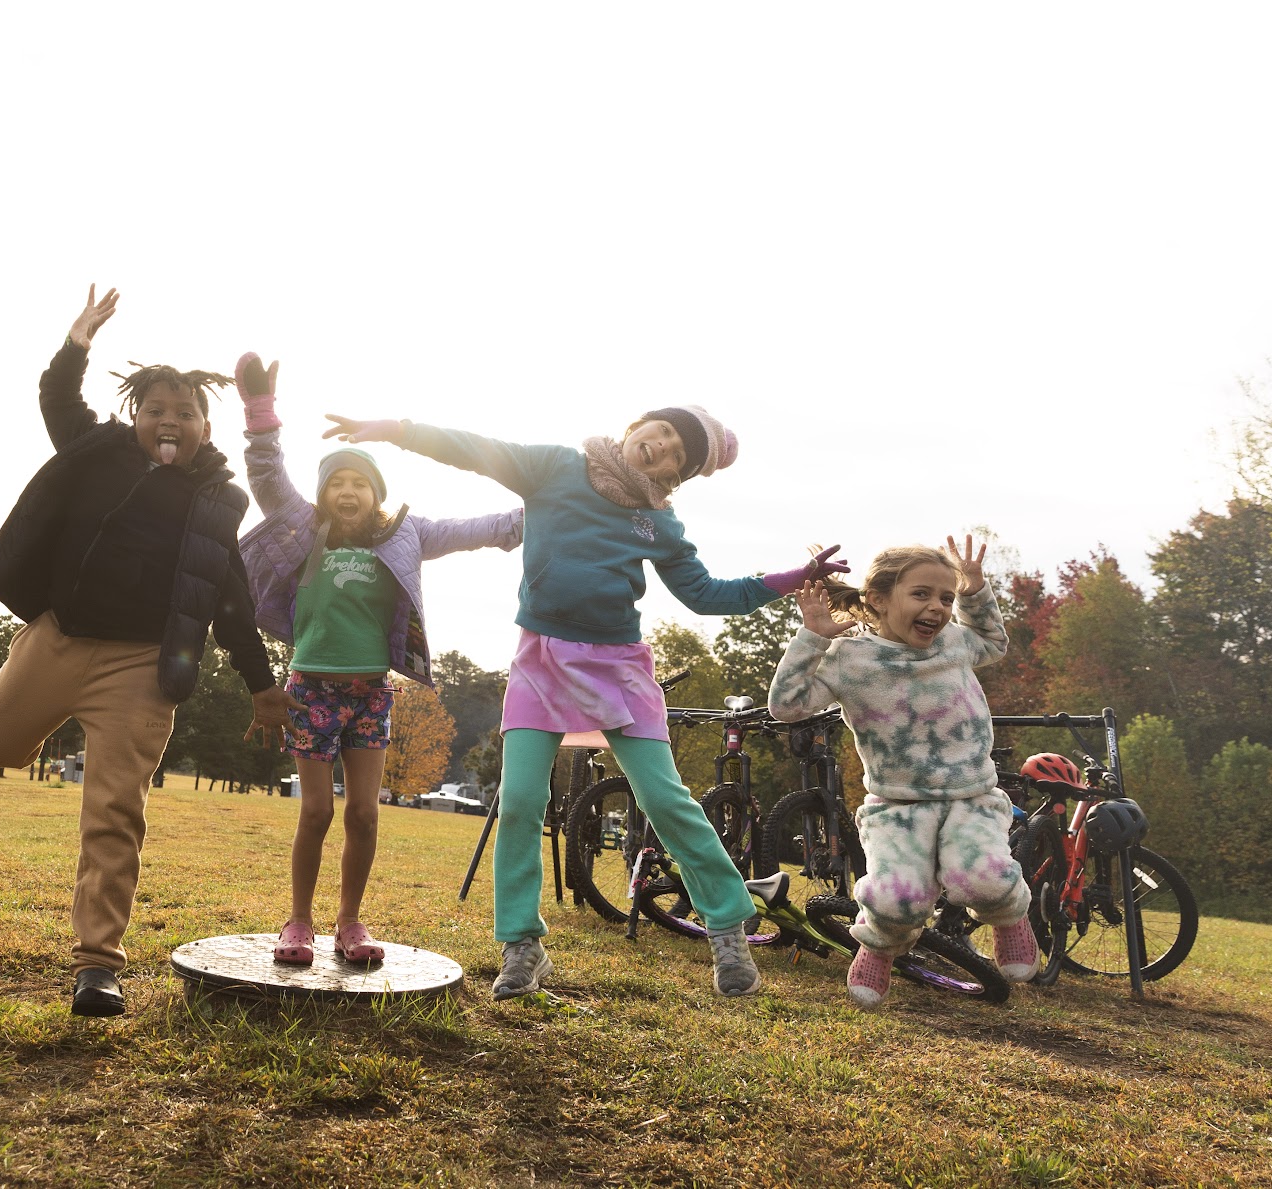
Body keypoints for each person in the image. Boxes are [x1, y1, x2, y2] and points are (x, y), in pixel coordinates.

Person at [322, 406, 844, 1000]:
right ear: (635, 428)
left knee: (665, 799)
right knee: (519, 802)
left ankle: (727, 924)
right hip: (540, 661)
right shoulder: (555, 468)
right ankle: (522, 945)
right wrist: (397, 429)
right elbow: (474, 446)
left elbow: (705, 595)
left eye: (679, 454)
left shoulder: (659, 524)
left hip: (618, 667)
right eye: (663, 433)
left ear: (678, 477)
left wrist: (790, 578)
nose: (662, 449)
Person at [0, 287, 290, 1018]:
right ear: (134, 418)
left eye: (185, 413)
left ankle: (97, 964)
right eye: (156, 412)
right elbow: (56, 397)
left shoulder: (217, 500)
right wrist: (78, 339)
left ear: (207, 426)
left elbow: (231, 596)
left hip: (141, 669)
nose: (169, 422)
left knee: (114, 811)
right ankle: (3, 704)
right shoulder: (97, 451)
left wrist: (263, 685)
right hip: (59, 639)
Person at [235, 353, 522, 966]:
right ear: (322, 496)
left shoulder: (406, 535)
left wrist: (554, 509)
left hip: (371, 695)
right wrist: (261, 415)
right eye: (336, 483)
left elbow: (482, 527)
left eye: (359, 483)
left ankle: (350, 924)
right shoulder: (303, 529)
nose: (347, 491)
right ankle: (298, 923)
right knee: (315, 811)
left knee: (364, 813)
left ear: (376, 495)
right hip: (310, 691)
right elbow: (266, 475)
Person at [769, 537, 1039, 1009]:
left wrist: (975, 593)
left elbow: (995, 643)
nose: (937, 607)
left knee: (985, 880)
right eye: (922, 594)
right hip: (897, 805)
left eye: (946, 598)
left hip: (970, 795)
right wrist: (813, 637)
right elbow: (786, 706)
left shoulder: (954, 641)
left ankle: (1011, 916)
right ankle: (879, 945)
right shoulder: (849, 659)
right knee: (898, 903)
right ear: (878, 598)